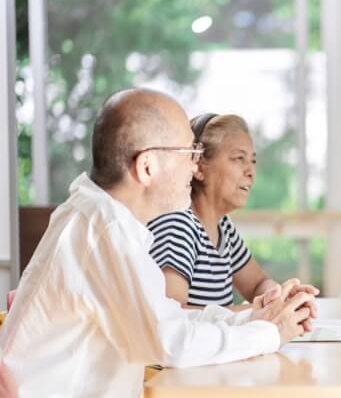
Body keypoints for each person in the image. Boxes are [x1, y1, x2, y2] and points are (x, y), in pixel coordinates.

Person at [0, 89, 315, 397]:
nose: (195, 165)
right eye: (189, 153)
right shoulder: (105, 230)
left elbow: (165, 318)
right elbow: (169, 343)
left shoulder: (100, 218)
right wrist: (269, 333)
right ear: (147, 165)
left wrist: (251, 318)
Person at [147, 113, 319, 313]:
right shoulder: (177, 225)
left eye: (252, 161)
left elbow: (257, 284)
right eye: (239, 158)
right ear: (199, 166)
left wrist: (279, 298)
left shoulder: (223, 226)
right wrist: (254, 314)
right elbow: (172, 316)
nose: (251, 171)